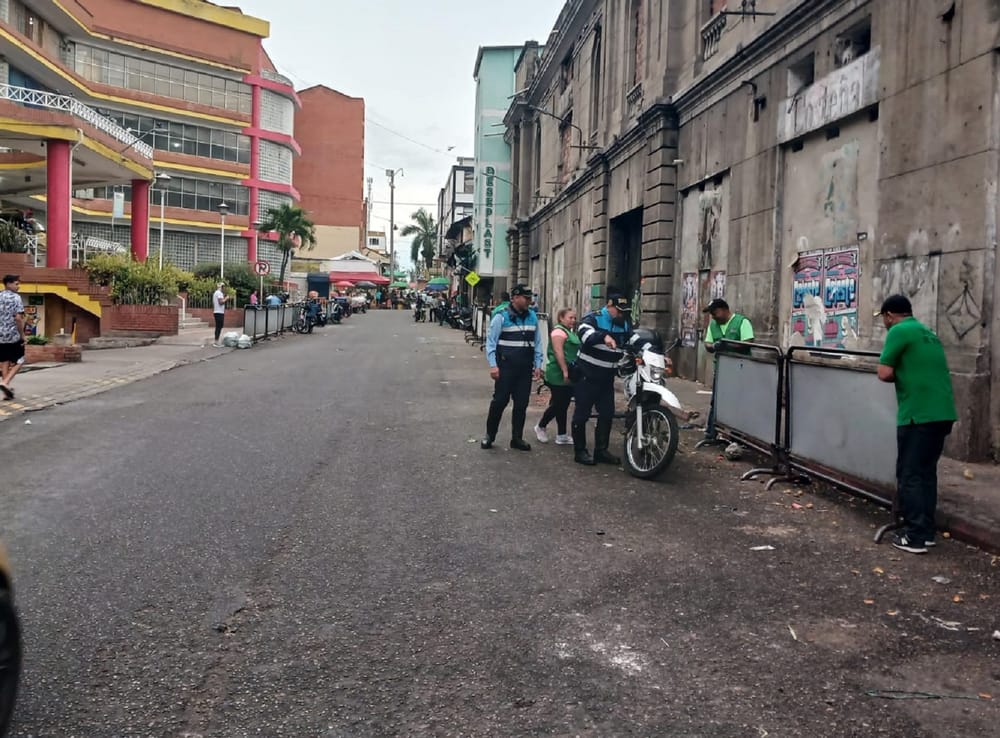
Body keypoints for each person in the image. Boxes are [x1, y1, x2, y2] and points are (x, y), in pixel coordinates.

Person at [876, 294, 957, 554]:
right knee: (926, 472)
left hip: (917, 414)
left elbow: (884, 372)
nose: (885, 323)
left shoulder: (899, 331)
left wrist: (900, 373)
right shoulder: (929, 332)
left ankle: (914, 536)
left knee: (910, 474)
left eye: (884, 319)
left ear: (889, 315)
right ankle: (926, 530)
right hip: (942, 412)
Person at [572, 293, 633, 465]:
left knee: (607, 413)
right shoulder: (594, 319)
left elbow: (635, 340)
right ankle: (580, 451)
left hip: (606, 378)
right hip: (587, 375)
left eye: (624, 312)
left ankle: (601, 450)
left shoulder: (624, 324)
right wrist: (603, 336)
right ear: (609, 305)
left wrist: (654, 352)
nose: (621, 315)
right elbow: (584, 334)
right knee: (582, 414)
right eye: (618, 311)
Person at [482, 284, 543, 451]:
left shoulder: (533, 317)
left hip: (524, 368)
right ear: (515, 298)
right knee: (499, 401)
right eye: (526, 298)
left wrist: (538, 364)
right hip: (506, 367)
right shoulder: (501, 317)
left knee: (521, 404)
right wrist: (493, 366)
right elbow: (491, 343)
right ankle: (489, 435)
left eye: (530, 298)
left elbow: (537, 342)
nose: (529, 301)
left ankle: (517, 438)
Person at [702, 298, 754, 440]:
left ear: (725, 310)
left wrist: (728, 345)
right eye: (711, 314)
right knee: (717, 401)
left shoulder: (742, 322)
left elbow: (748, 342)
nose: (713, 316)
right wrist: (713, 346)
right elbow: (707, 343)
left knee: (737, 402)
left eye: (715, 313)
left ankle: (736, 436)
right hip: (721, 369)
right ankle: (711, 431)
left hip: (740, 369)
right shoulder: (713, 325)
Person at [534, 307, 580, 445]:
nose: (573, 320)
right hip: (557, 373)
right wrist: (565, 371)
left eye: (574, 318)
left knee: (563, 404)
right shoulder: (558, 332)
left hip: (569, 372)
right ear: (561, 318)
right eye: (570, 317)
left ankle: (561, 434)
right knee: (559, 404)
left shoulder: (569, 332)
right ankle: (541, 426)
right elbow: (559, 352)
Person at [0, 274, 26, 400]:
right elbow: (18, 319)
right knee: (20, 360)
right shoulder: (16, 298)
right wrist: (23, 336)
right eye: (16, 284)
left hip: (0, 335)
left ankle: (6, 393)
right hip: (13, 334)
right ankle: (5, 383)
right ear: (8, 284)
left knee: (4, 360)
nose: (18, 286)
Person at [211, 281, 230, 347]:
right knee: (219, 326)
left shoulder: (216, 293)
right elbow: (221, 302)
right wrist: (226, 298)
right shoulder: (219, 293)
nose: (224, 288)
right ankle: (216, 342)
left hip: (217, 311)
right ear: (222, 287)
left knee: (219, 326)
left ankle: (216, 341)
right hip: (219, 312)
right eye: (224, 287)